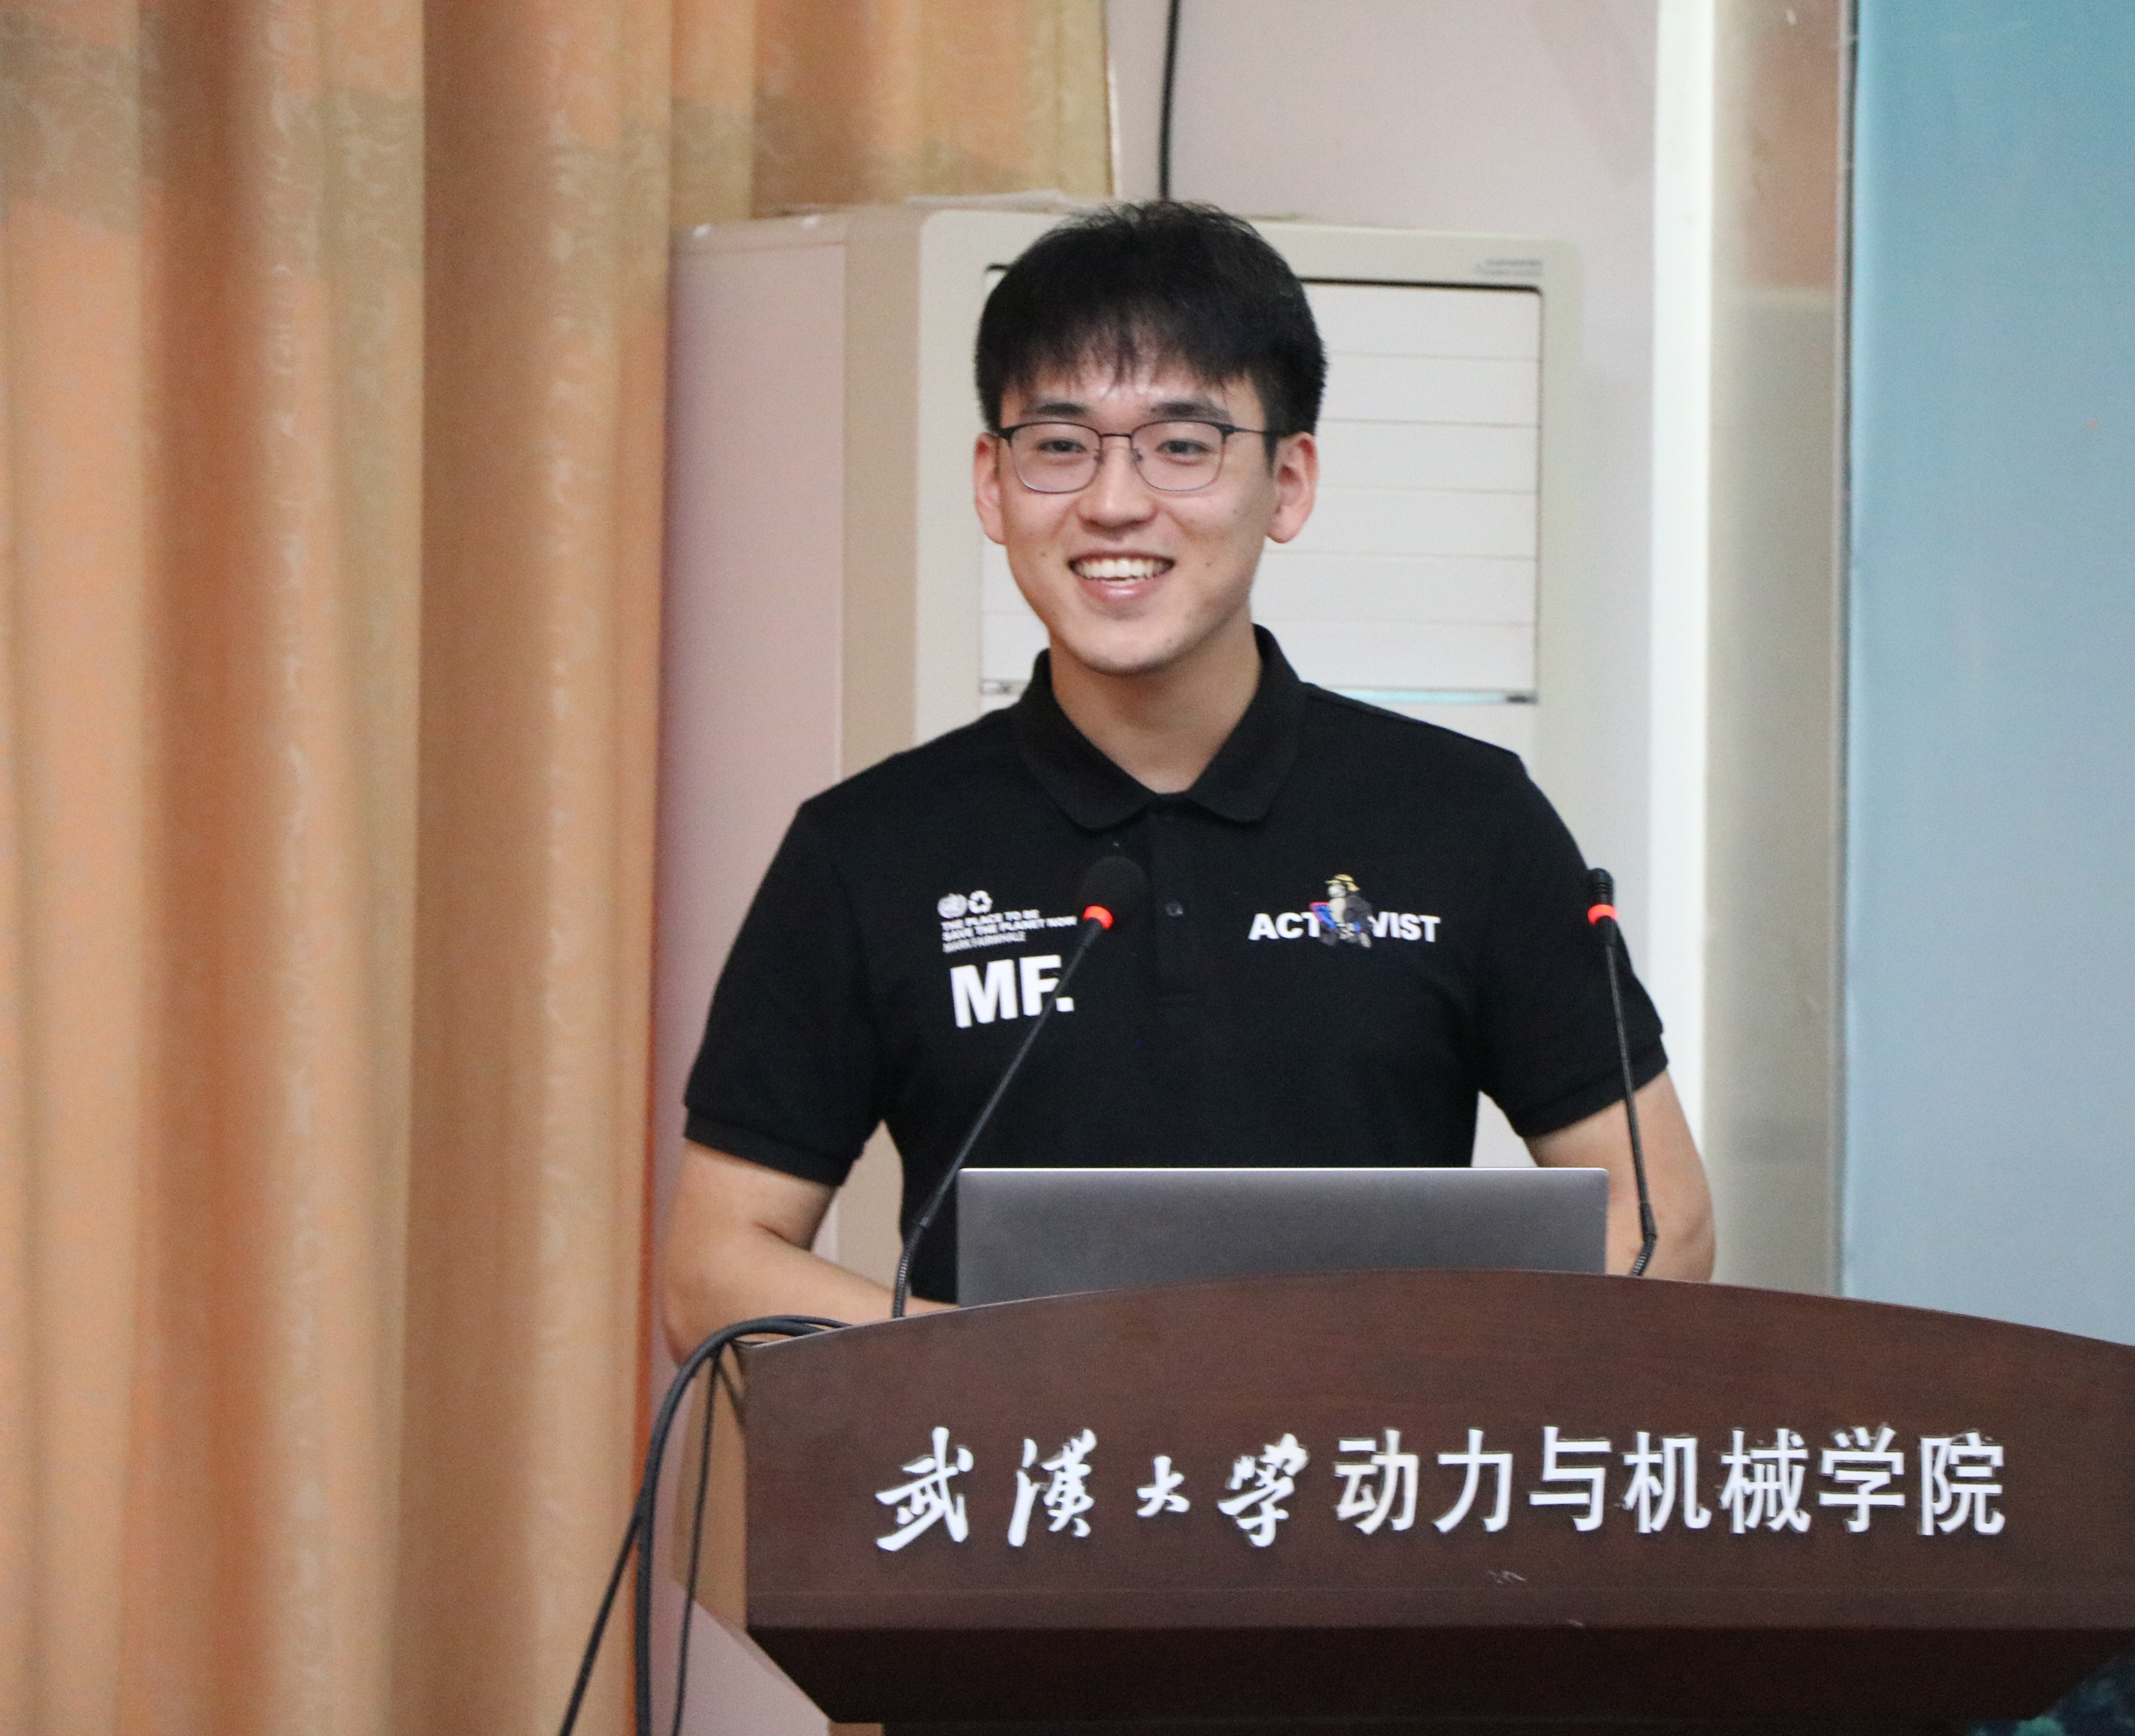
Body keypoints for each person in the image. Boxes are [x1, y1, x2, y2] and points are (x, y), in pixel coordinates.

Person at [663, 203, 1712, 1354]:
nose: (1115, 502)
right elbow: (717, 1266)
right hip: (1015, 1460)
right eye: (1060, 445)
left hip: (1378, 1458)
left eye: (1182, 444)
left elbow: (1660, 1220)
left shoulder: (1466, 818)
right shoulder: (869, 850)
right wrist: (997, 1378)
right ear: (993, 485)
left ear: (1289, 482)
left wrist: (1415, 1381)